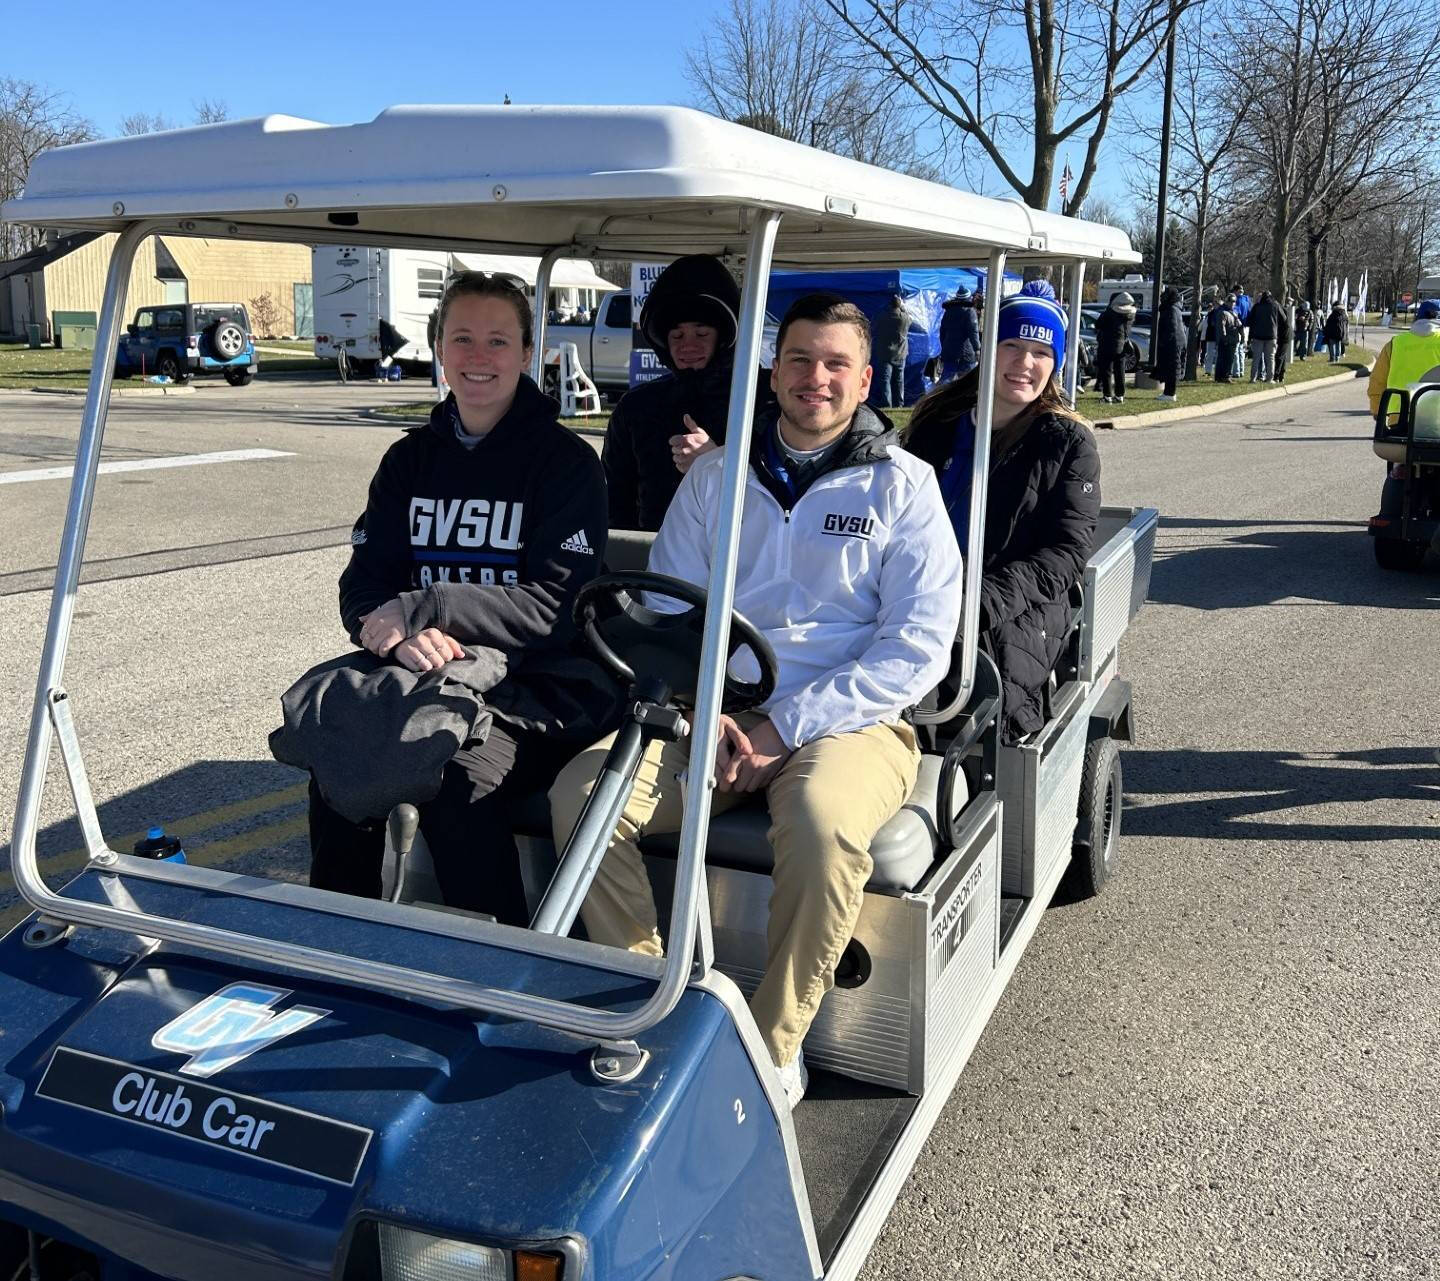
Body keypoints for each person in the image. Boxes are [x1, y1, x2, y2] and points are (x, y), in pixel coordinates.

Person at [549, 292, 964, 1108]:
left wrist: (785, 725)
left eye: (837, 364)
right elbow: (667, 607)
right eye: (800, 359)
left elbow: (916, 649)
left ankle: (774, 1045)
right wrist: (704, 705)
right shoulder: (716, 478)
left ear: (866, 379)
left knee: (819, 822)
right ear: (774, 373)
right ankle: (651, 1001)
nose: (817, 377)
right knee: (582, 796)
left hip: (851, 719)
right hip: (714, 709)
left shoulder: (902, 487)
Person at [307, 272, 616, 924]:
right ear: (440, 351)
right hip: (428, 681)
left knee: (450, 776)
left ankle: (497, 964)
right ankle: (340, 946)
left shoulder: (566, 465)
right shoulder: (409, 462)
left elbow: (554, 607)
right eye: (462, 339)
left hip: (536, 693)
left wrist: (427, 607)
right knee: (339, 759)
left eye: (498, 341)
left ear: (527, 353)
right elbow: (364, 583)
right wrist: (393, 635)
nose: (479, 357)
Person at [903, 280, 1101, 745]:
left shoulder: (1068, 442)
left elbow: (1066, 554)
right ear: (988, 349)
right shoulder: (937, 422)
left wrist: (980, 601)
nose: (1025, 363)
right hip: (920, 587)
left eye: (1041, 352)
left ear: (1056, 363)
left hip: (1013, 605)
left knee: (950, 680)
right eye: (1012, 345)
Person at [602, 254, 763, 532]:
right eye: (677, 336)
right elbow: (615, 500)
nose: (688, 346)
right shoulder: (637, 407)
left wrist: (715, 461)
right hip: (652, 553)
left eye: (701, 334)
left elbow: (781, 500)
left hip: (741, 552)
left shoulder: (761, 401)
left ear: (724, 337)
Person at [1367, 297, 1440, 418]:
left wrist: (1377, 409)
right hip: (1436, 418)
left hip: (1399, 418)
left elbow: (1378, 381)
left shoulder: (1395, 344)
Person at [1093, 290, 1136, 403]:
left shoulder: (1110, 312)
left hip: (1107, 344)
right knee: (1120, 371)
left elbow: (1098, 324)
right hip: (1122, 345)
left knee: (1107, 371)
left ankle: (1107, 396)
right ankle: (1120, 395)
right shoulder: (1130, 313)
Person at [871, 293, 910, 408]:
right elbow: (909, 318)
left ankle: (887, 404)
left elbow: (874, 325)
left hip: (884, 353)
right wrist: (903, 307)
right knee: (899, 380)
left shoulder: (882, 316)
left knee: (885, 380)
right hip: (900, 353)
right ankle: (899, 404)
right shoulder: (904, 318)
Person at [1152, 286, 1187, 402]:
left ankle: (1170, 394)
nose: (1162, 296)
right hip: (1176, 342)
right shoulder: (1174, 308)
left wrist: (1164, 341)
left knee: (1172, 369)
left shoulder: (1171, 309)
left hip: (1173, 343)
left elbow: (1172, 327)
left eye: (1165, 294)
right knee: (1170, 368)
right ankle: (1167, 392)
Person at [938, 287, 981, 381]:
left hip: (949, 352)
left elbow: (942, 332)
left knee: (946, 380)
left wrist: (944, 347)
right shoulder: (969, 312)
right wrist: (977, 349)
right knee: (968, 382)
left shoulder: (948, 311)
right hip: (965, 354)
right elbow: (973, 332)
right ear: (968, 298)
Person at [1247, 290, 1281, 383]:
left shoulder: (1257, 307)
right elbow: (1283, 318)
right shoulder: (1275, 305)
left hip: (1258, 335)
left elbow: (1250, 320)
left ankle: (1253, 378)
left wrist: (1250, 336)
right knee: (1270, 358)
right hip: (1271, 335)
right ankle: (1269, 378)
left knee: (1256, 358)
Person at [1214, 295, 1242, 384]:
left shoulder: (1234, 313)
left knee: (1228, 359)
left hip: (1233, 339)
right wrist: (1224, 338)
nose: (1233, 303)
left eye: (1234, 301)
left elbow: (1238, 326)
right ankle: (1225, 376)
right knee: (1225, 359)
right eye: (1231, 301)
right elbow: (1221, 327)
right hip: (1226, 340)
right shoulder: (1223, 312)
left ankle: (1222, 376)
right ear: (1227, 302)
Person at [1231, 282, 1252, 379]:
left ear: (1235, 291)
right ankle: (1241, 370)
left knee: (1236, 350)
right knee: (1242, 350)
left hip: (1238, 326)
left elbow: (1235, 312)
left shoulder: (1237, 300)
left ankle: (1236, 371)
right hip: (1246, 326)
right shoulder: (1247, 300)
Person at [1274, 295, 1292, 384]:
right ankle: (1281, 375)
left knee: (1279, 356)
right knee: (1282, 356)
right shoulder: (1282, 310)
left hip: (1284, 336)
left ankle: (1276, 376)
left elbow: (1285, 324)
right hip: (1285, 335)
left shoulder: (1280, 311)